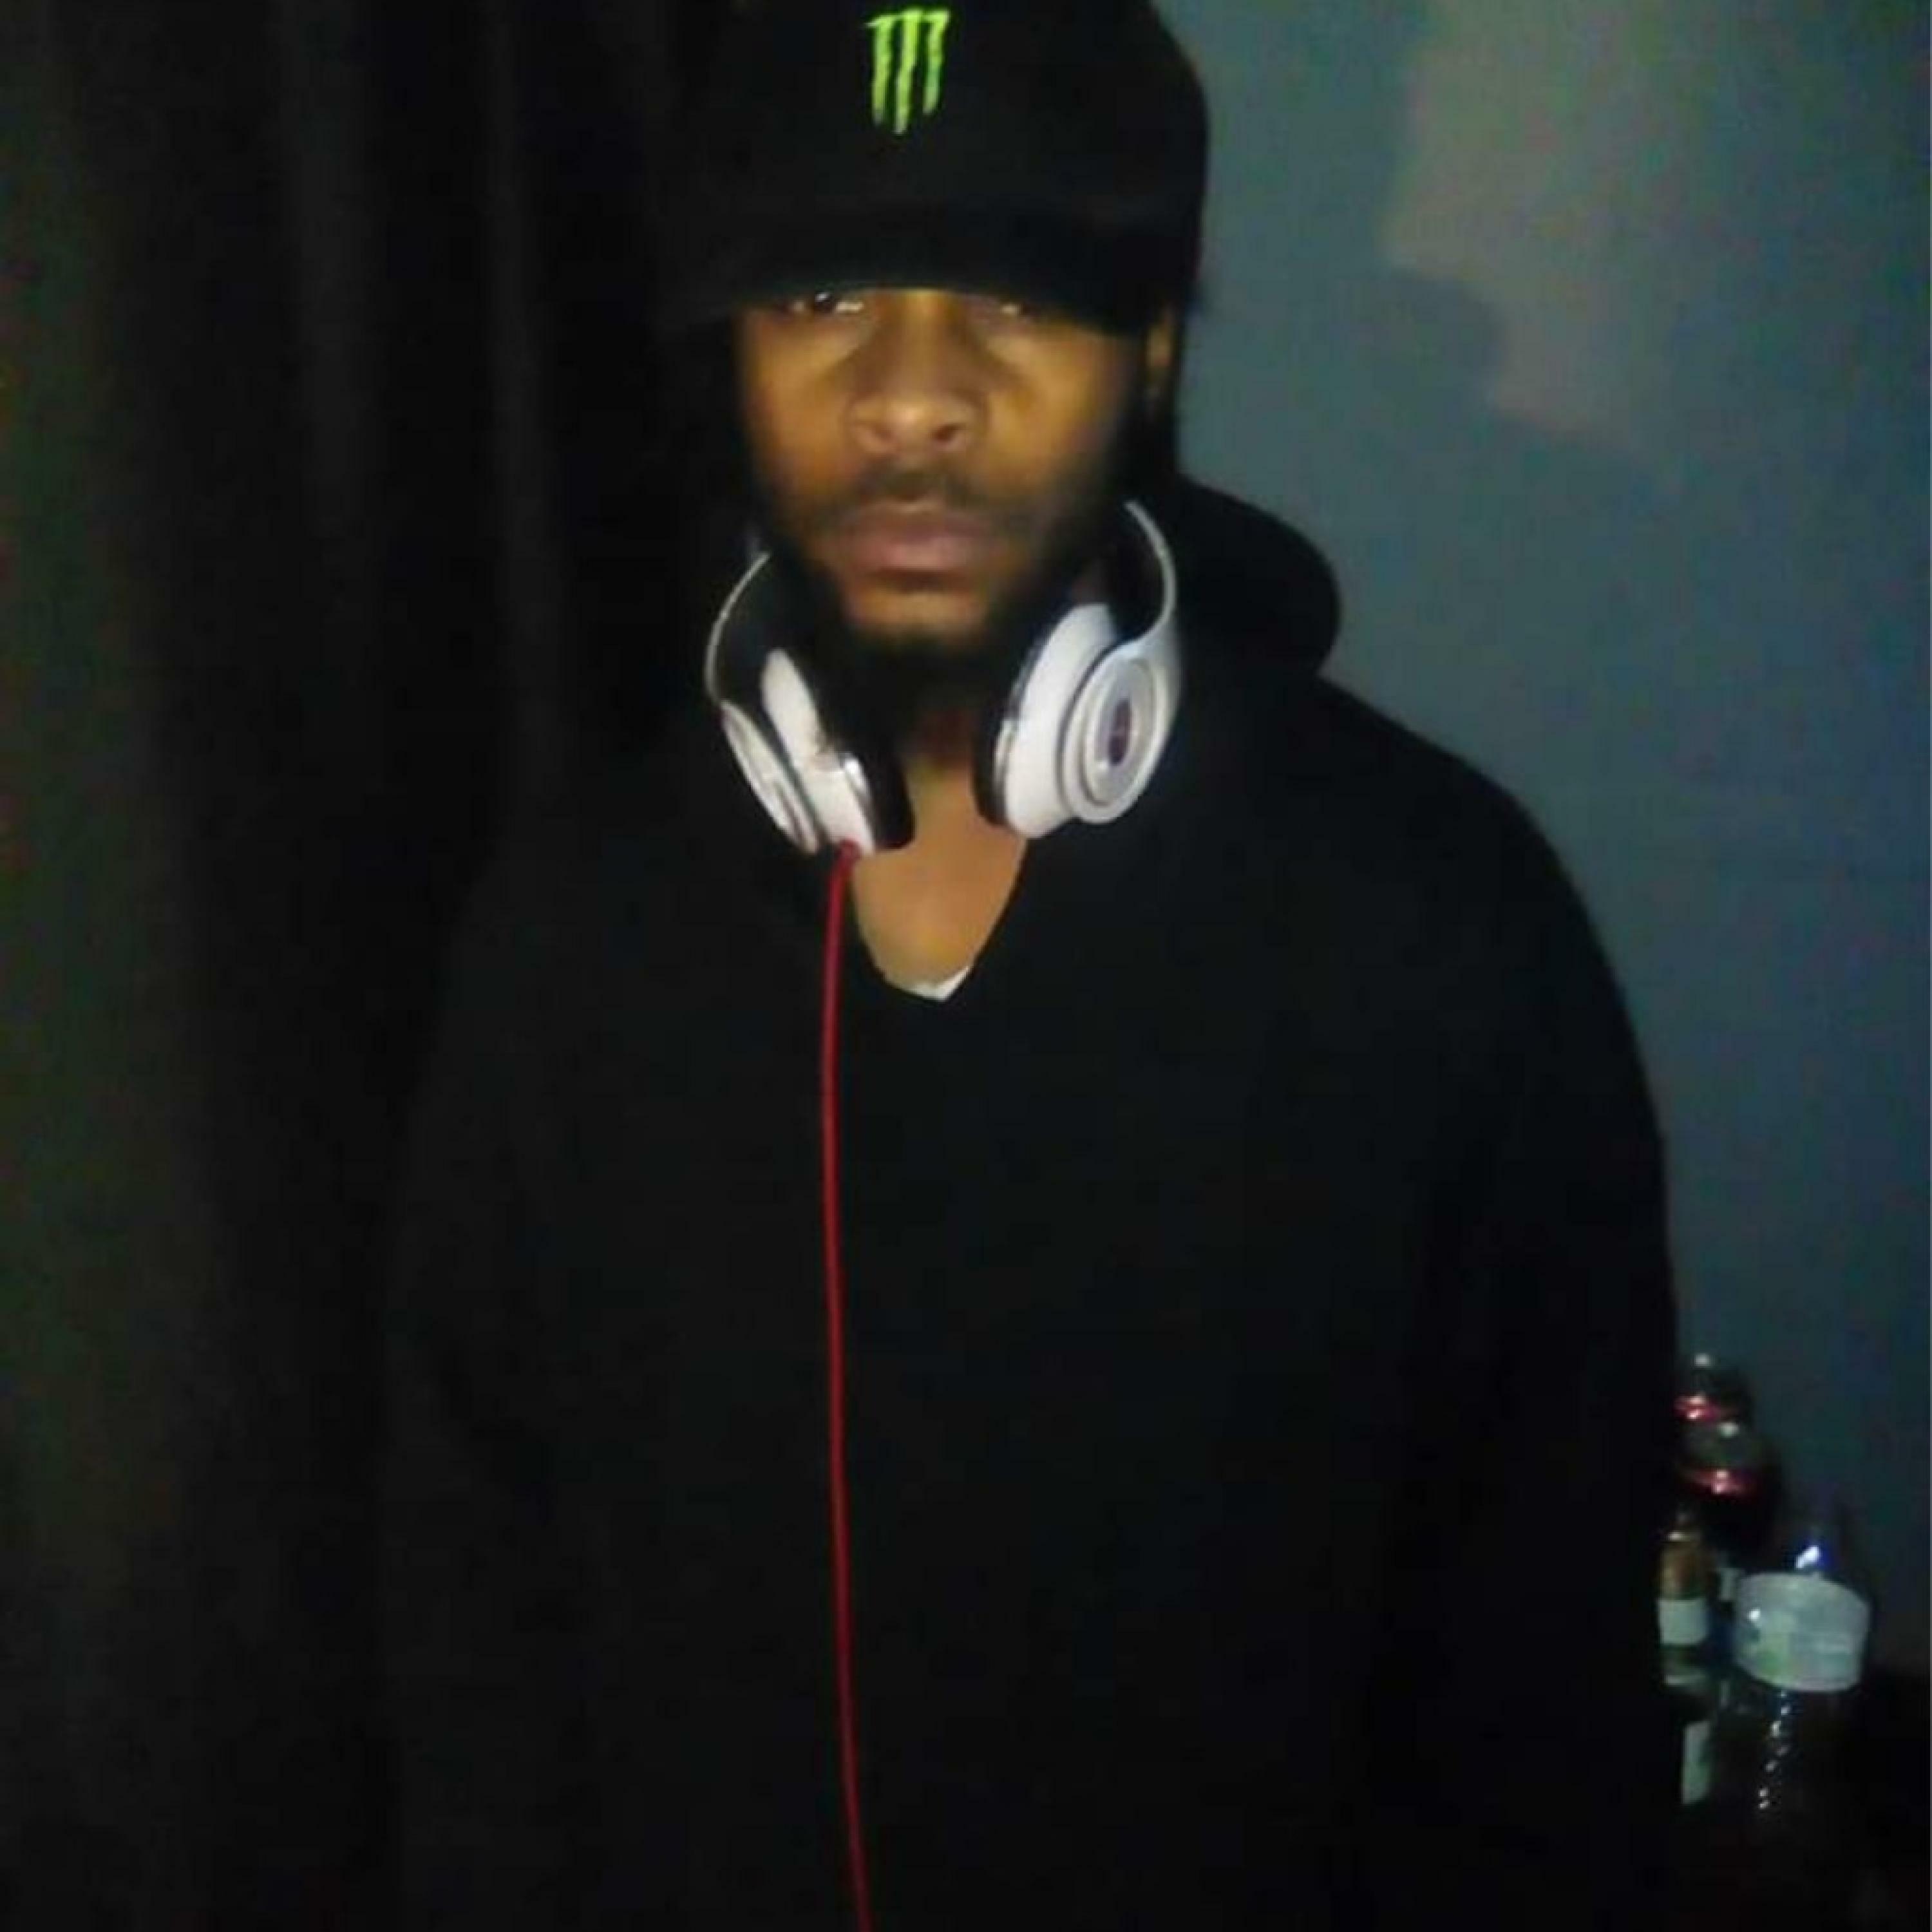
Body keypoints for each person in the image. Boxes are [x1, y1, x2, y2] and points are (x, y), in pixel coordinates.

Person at [383, 1, 1679, 1924]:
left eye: (1014, 294)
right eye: (824, 296)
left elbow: (1543, 1719)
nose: (913, 394)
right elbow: (480, 1646)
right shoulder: (569, 937)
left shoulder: (1448, 937)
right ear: (729, 356)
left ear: (1153, 346)